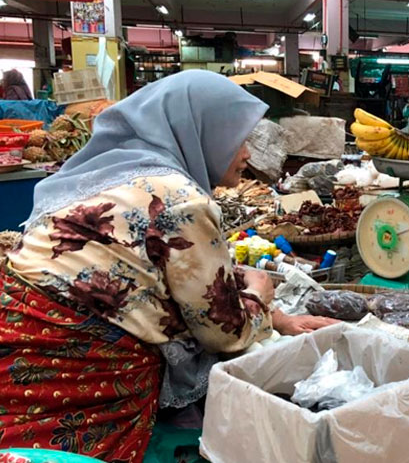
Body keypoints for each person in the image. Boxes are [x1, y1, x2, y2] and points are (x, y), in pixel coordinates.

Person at [0, 70, 337, 462]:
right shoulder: (181, 199)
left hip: (16, 334)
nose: (247, 154)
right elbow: (223, 332)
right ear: (201, 131)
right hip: (80, 370)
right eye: (239, 137)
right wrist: (260, 297)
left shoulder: (105, 174)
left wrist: (274, 316)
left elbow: (149, 269)